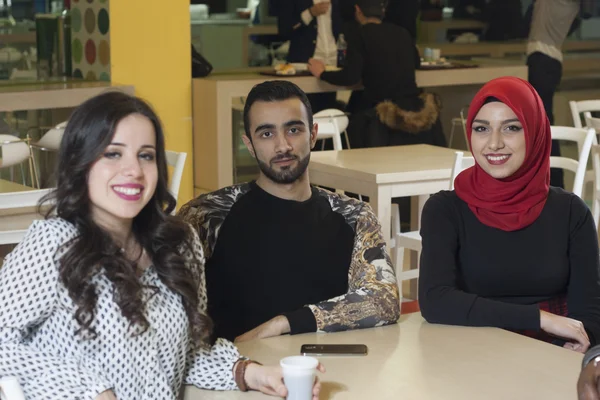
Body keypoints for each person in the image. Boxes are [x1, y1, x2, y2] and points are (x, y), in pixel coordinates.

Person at [0, 92, 323, 400]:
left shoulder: (179, 244)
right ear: (80, 163)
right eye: (113, 154)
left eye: (146, 156)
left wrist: (253, 373)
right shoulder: (54, 243)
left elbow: (190, 351)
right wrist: (88, 390)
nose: (134, 171)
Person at [178, 80, 400, 343]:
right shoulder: (208, 214)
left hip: (334, 369)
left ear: (313, 134)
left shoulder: (354, 215)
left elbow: (383, 300)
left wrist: (284, 324)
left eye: (293, 130)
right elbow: (170, 306)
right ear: (249, 144)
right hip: (237, 373)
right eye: (267, 134)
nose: (282, 146)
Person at [418, 77, 600, 352]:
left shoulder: (571, 212)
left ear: (535, 133)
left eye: (511, 128)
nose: (493, 143)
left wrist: (579, 346)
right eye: (482, 129)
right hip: (469, 351)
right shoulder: (445, 210)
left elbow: (590, 312)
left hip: (553, 354)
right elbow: (435, 301)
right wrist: (539, 319)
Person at [307, 0, 445, 149]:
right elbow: (416, 63)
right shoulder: (402, 32)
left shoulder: (360, 35)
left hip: (381, 115)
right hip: (413, 107)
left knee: (352, 110)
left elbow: (350, 77)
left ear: (358, 11)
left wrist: (322, 73)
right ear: (383, 12)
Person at [527, 0, 580, 188]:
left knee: (544, 123)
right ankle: (552, 181)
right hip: (547, 60)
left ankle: (554, 182)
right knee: (543, 122)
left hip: (543, 60)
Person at [277, 0, 342, 113]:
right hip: (304, 65)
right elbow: (284, 29)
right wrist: (310, 13)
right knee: (302, 112)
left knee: (327, 112)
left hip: (331, 64)